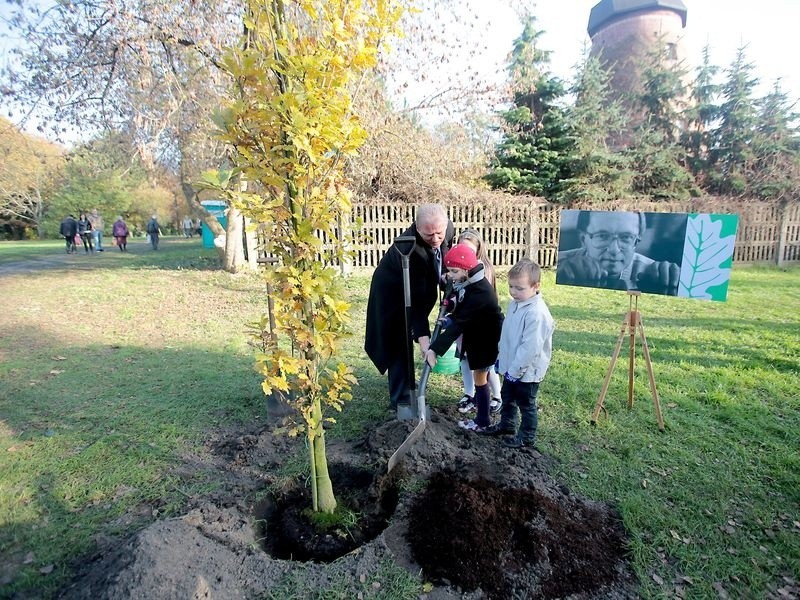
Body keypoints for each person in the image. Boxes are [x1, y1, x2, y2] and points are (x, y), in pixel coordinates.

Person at [365, 203, 455, 410]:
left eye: (439, 233)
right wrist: (424, 343)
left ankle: (409, 387)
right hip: (391, 291)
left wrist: (444, 270)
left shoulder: (447, 228)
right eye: (428, 235)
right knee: (398, 340)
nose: (435, 239)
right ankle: (402, 399)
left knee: (409, 331)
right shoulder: (410, 251)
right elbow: (416, 303)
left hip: (417, 285)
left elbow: (444, 246)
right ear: (417, 227)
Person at [424, 243, 503, 432]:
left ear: (466, 269)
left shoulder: (481, 292)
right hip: (477, 335)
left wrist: (434, 348)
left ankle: (482, 421)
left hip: (486, 341)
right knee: (479, 379)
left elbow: (460, 323)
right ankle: (481, 415)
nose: (450, 275)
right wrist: (450, 307)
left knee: (480, 380)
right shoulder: (470, 282)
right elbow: (462, 301)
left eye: (453, 271)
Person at [481, 258, 554, 448]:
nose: (513, 292)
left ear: (536, 286)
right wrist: (501, 359)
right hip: (511, 366)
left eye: (519, 288)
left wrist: (515, 372)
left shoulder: (536, 314)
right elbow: (508, 336)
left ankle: (527, 437)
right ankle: (507, 425)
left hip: (527, 372)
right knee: (508, 397)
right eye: (511, 287)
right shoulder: (516, 304)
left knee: (526, 404)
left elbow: (530, 348)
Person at [557, 211, 680, 295]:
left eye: (626, 237)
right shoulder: (558, 265)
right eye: (603, 236)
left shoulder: (654, 273)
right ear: (583, 239)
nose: (614, 250)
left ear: (636, 243)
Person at [452, 229, 503, 416]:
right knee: (465, 358)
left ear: (479, 250)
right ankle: (469, 393)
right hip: (465, 323)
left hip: (479, 327)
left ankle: (496, 396)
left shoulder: (483, 270)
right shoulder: (457, 269)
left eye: (471, 251)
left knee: (485, 364)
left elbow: (477, 299)